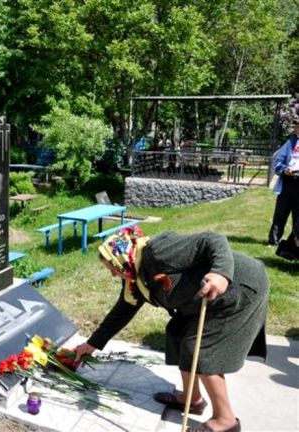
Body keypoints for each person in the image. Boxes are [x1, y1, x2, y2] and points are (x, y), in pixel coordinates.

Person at [74, 227, 268, 432]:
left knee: (201, 350)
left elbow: (212, 239)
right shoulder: (134, 278)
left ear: (120, 258)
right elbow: (122, 311)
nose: (114, 274)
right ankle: (191, 399)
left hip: (239, 286)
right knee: (177, 332)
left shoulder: (157, 252)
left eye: (112, 268)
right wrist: (91, 345)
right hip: (205, 298)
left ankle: (225, 420)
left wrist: (221, 273)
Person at [267, 117, 299, 245]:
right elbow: (278, 160)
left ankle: (295, 242)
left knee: (298, 216)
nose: (297, 128)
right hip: (288, 181)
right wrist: (284, 170)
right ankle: (273, 240)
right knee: (281, 212)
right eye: (296, 126)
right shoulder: (290, 143)